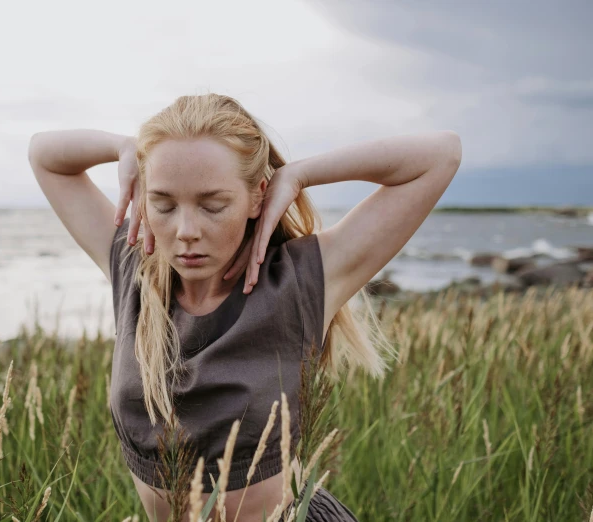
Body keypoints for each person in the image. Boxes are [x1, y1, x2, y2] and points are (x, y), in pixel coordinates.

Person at [28, 93, 462, 521]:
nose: (185, 231)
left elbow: (441, 155)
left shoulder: (303, 280)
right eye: (163, 203)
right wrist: (123, 147)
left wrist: (298, 176)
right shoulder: (133, 268)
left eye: (213, 205)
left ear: (257, 197)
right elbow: (43, 155)